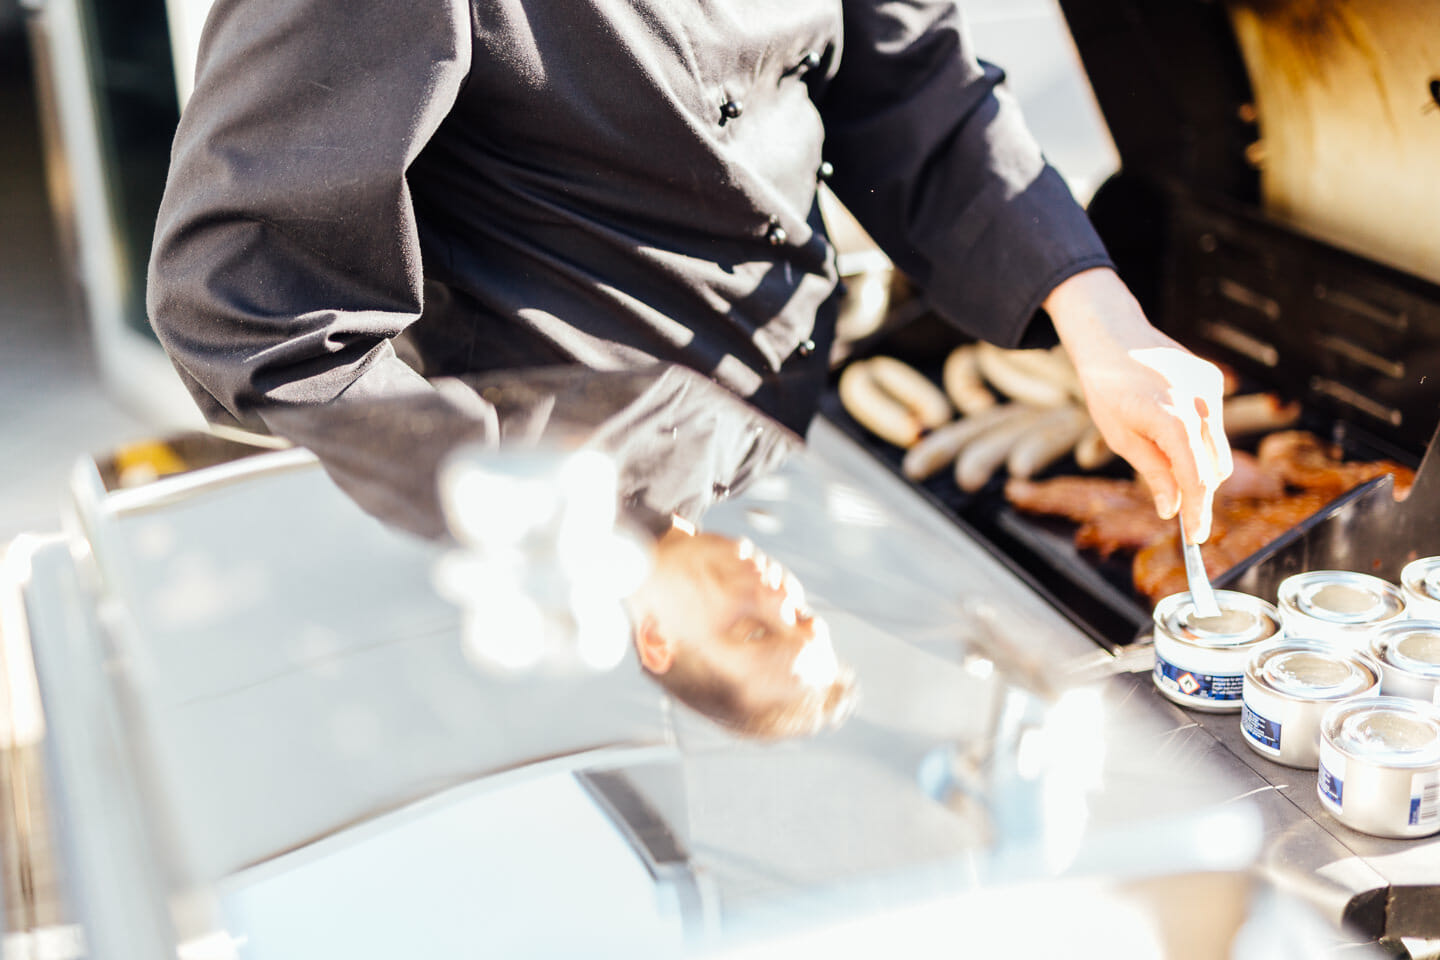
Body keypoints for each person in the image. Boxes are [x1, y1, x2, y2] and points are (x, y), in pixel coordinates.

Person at [146, 0, 1232, 545]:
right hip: (557, 541)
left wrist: (1102, 316)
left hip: (787, 453)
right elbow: (241, 297)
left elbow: (910, 85)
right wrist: (581, 542)